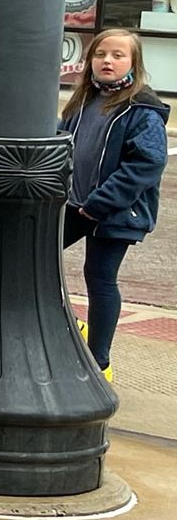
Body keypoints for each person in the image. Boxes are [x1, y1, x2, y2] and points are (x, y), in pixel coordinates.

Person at [62, 26, 166, 383]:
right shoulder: (82, 101)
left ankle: (99, 363)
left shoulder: (142, 110)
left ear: (134, 63)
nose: (108, 61)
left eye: (118, 55)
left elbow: (146, 164)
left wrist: (102, 202)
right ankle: (67, 321)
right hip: (75, 205)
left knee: (100, 277)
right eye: (100, 54)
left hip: (114, 211)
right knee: (33, 260)